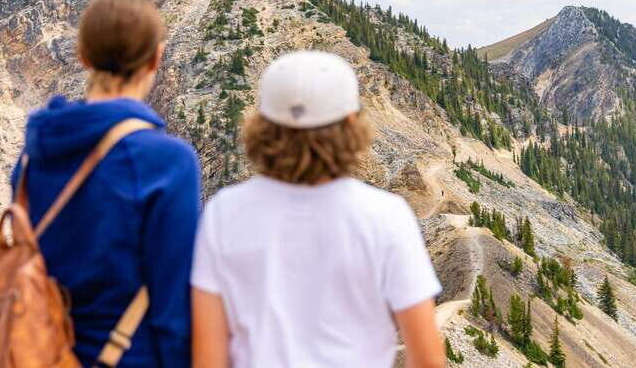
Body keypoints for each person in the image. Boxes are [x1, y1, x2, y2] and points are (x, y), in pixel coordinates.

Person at [191, 51, 446, 368]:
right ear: (351, 124)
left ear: (263, 127)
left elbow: (207, 357)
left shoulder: (224, 213)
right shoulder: (386, 216)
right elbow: (427, 358)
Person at [10, 0, 200, 367]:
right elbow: (173, 306)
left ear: (82, 56)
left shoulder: (34, 153)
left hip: (38, 351)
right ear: (156, 59)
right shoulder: (166, 162)